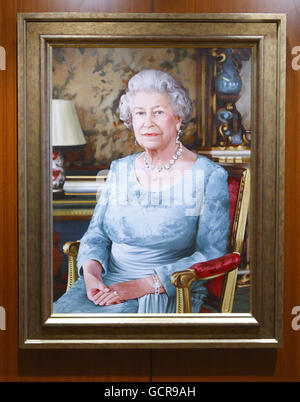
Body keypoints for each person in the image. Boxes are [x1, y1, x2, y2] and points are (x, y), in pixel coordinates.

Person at [53, 69, 230, 314]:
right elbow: (96, 234)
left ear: (177, 118)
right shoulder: (120, 169)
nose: (148, 122)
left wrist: (143, 285)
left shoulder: (209, 176)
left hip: (167, 290)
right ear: (132, 120)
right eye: (139, 113)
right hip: (106, 284)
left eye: (158, 112)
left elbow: (211, 253)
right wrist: (92, 277)